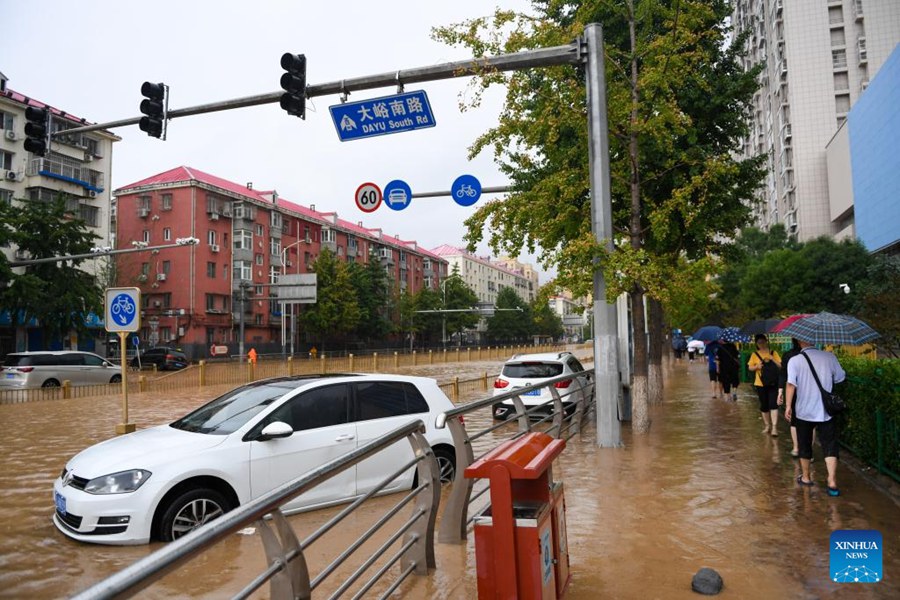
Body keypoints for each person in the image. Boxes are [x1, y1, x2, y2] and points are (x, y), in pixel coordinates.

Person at [784, 340, 846, 496]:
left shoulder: (795, 360)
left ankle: (806, 477)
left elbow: (791, 384)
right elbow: (840, 377)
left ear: (799, 341)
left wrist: (788, 406)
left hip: (804, 411)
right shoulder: (829, 357)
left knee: (804, 444)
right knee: (830, 444)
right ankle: (831, 480)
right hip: (826, 411)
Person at [748, 334, 781, 436]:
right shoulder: (754, 355)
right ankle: (767, 425)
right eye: (759, 342)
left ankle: (774, 427)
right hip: (760, 383)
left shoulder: (773, 353)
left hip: (773, 383)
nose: (761, 344)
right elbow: (750, 368)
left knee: (773, 404)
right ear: (756, 344)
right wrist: (757, 366)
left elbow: (780, 366)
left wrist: (772, 359)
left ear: (766, 341)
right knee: (764, 406)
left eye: (763, 341)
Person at [777, 338, 803, 457]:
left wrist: (780, 391)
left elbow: (783, 374)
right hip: (809, 392)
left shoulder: (788, 355)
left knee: (794, 420)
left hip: (792, 391)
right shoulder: (813, 355)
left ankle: (796, 448)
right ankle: (809, 452)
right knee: (811, 422)